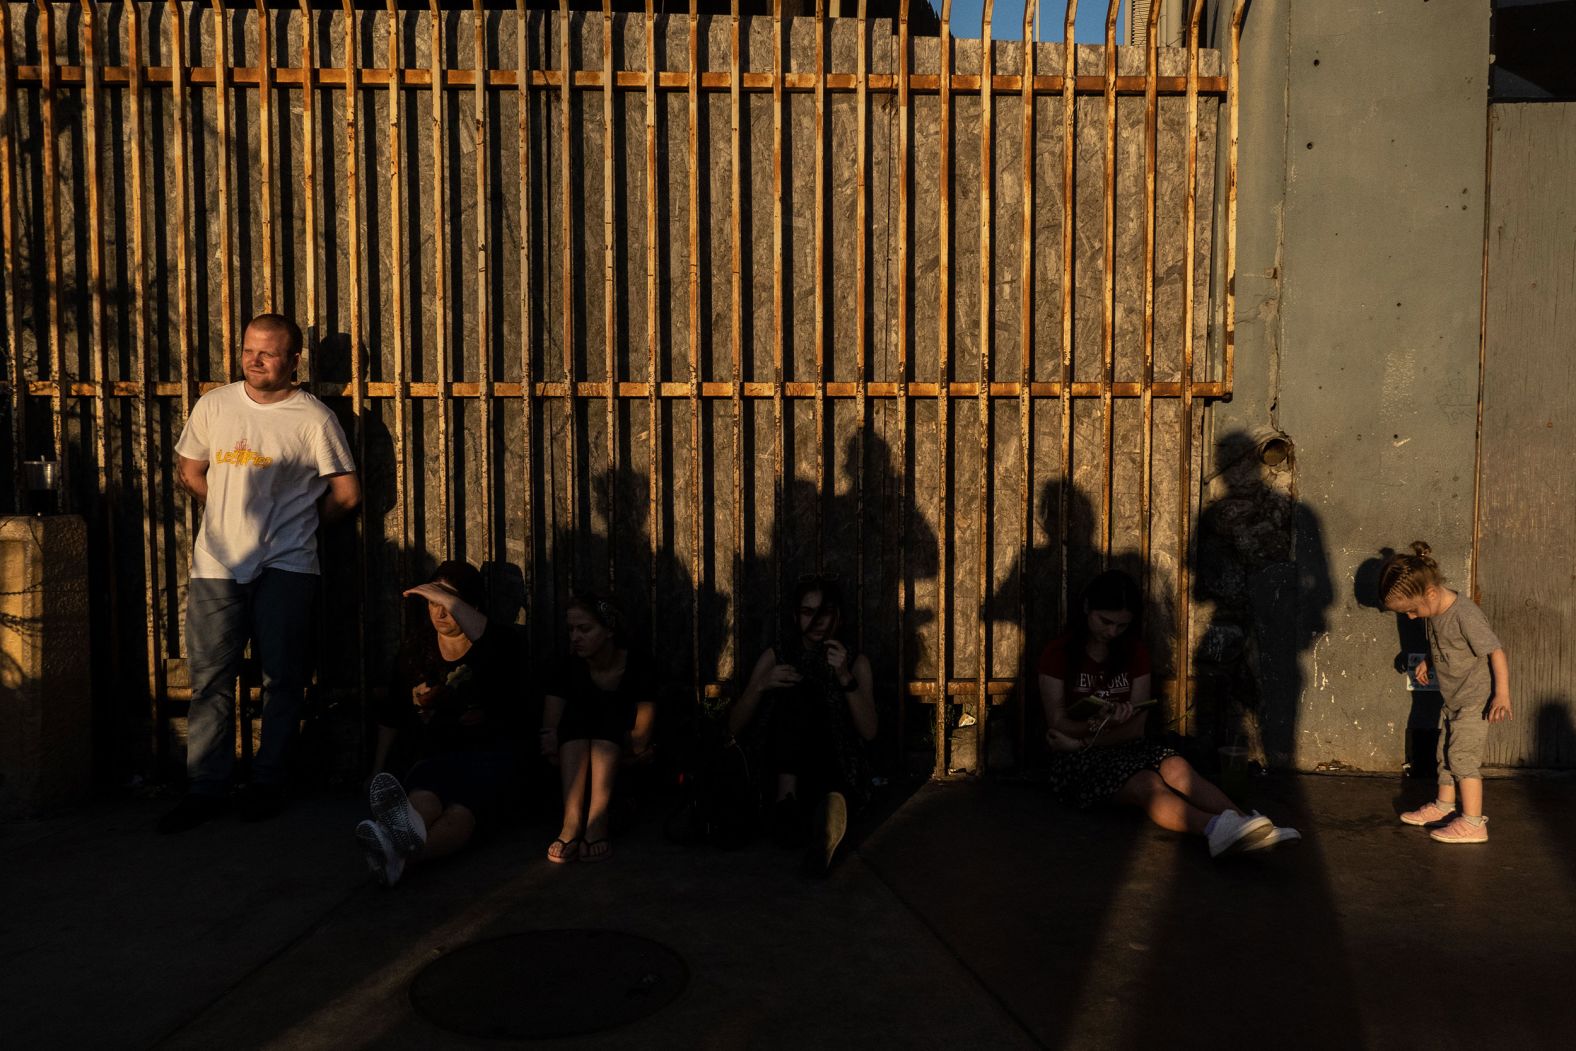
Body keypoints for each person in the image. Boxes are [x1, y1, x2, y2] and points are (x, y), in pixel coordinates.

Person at [159, 314, 360, 833]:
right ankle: (206, 787)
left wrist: (297, 528)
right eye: (249, 350)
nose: (255, 360)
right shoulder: (214, 405)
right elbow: (190, 470)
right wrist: (226, 512)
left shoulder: (313, 418)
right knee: (209, 682)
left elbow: (347, 494)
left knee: (283, 680)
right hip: (215, 566)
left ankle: (268, 783)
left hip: (287, 565)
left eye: (268, 353)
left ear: (294, 360)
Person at [1038, 570, 1299, 858]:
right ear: (1087, 608)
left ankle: (1248, 823)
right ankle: (1215, 829)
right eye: (1106, 621)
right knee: (1147, 784)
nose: (1112, 632)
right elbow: (1057, 725)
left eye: (1122, 625)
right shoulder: (1058, 653)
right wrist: (1090, 734)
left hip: (1117, 743)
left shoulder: (1134, 652)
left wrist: (1092, 734)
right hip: (1077, 759)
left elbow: (1137, 728)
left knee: (1178, 767)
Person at [356, 561, 524, 886]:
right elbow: (391, 713)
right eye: (433, 603)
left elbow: (503, 672)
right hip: (437, 755)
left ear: (471, 606)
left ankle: (396, 857)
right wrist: (377, 769)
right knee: (424, 796)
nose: (440, 613)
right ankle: (397, 852)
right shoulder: (416, 649)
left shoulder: (501, 643)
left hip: (490, 756)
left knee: (461, 811)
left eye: (448, 604)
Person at [729, 575, 877, 873]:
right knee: (796, 696)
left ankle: (815, 821)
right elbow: (733, 727)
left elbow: (869, 731)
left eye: (825, 612)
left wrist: (846, 678)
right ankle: (792, 807)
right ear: (796, 617)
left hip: (835, 765)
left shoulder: (855, 662)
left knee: (816, 708)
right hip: (778, 767)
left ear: (838, 616)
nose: (818, 621)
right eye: (809, 612)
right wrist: (761, 685)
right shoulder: (778, 656)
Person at [1380, 541, 1511, 844]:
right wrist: (1428, 659)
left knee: (1463, 758)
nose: (1411, 617)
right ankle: (1444, 806)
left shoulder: (1465, 614)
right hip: (1453, 698)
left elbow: (1496, 652)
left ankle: (1473, 822)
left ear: (1430, 592)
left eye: (1412, 610)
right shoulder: (1434, 612)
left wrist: (1501, 695)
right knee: (1445, 755)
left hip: (1475, 700)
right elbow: (1442, 644)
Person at [539, 595, 657, 863]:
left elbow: (641, 739)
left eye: (585, 629)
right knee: (580, 719)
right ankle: (571, 824)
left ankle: (597, 823)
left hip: (622, 779)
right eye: (571, 630)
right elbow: (549, 740)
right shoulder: (565, 668)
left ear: (609, 630)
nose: (575, 637)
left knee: (605, 717)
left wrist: (612, 749)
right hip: (570, 776)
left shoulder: (638, 666)